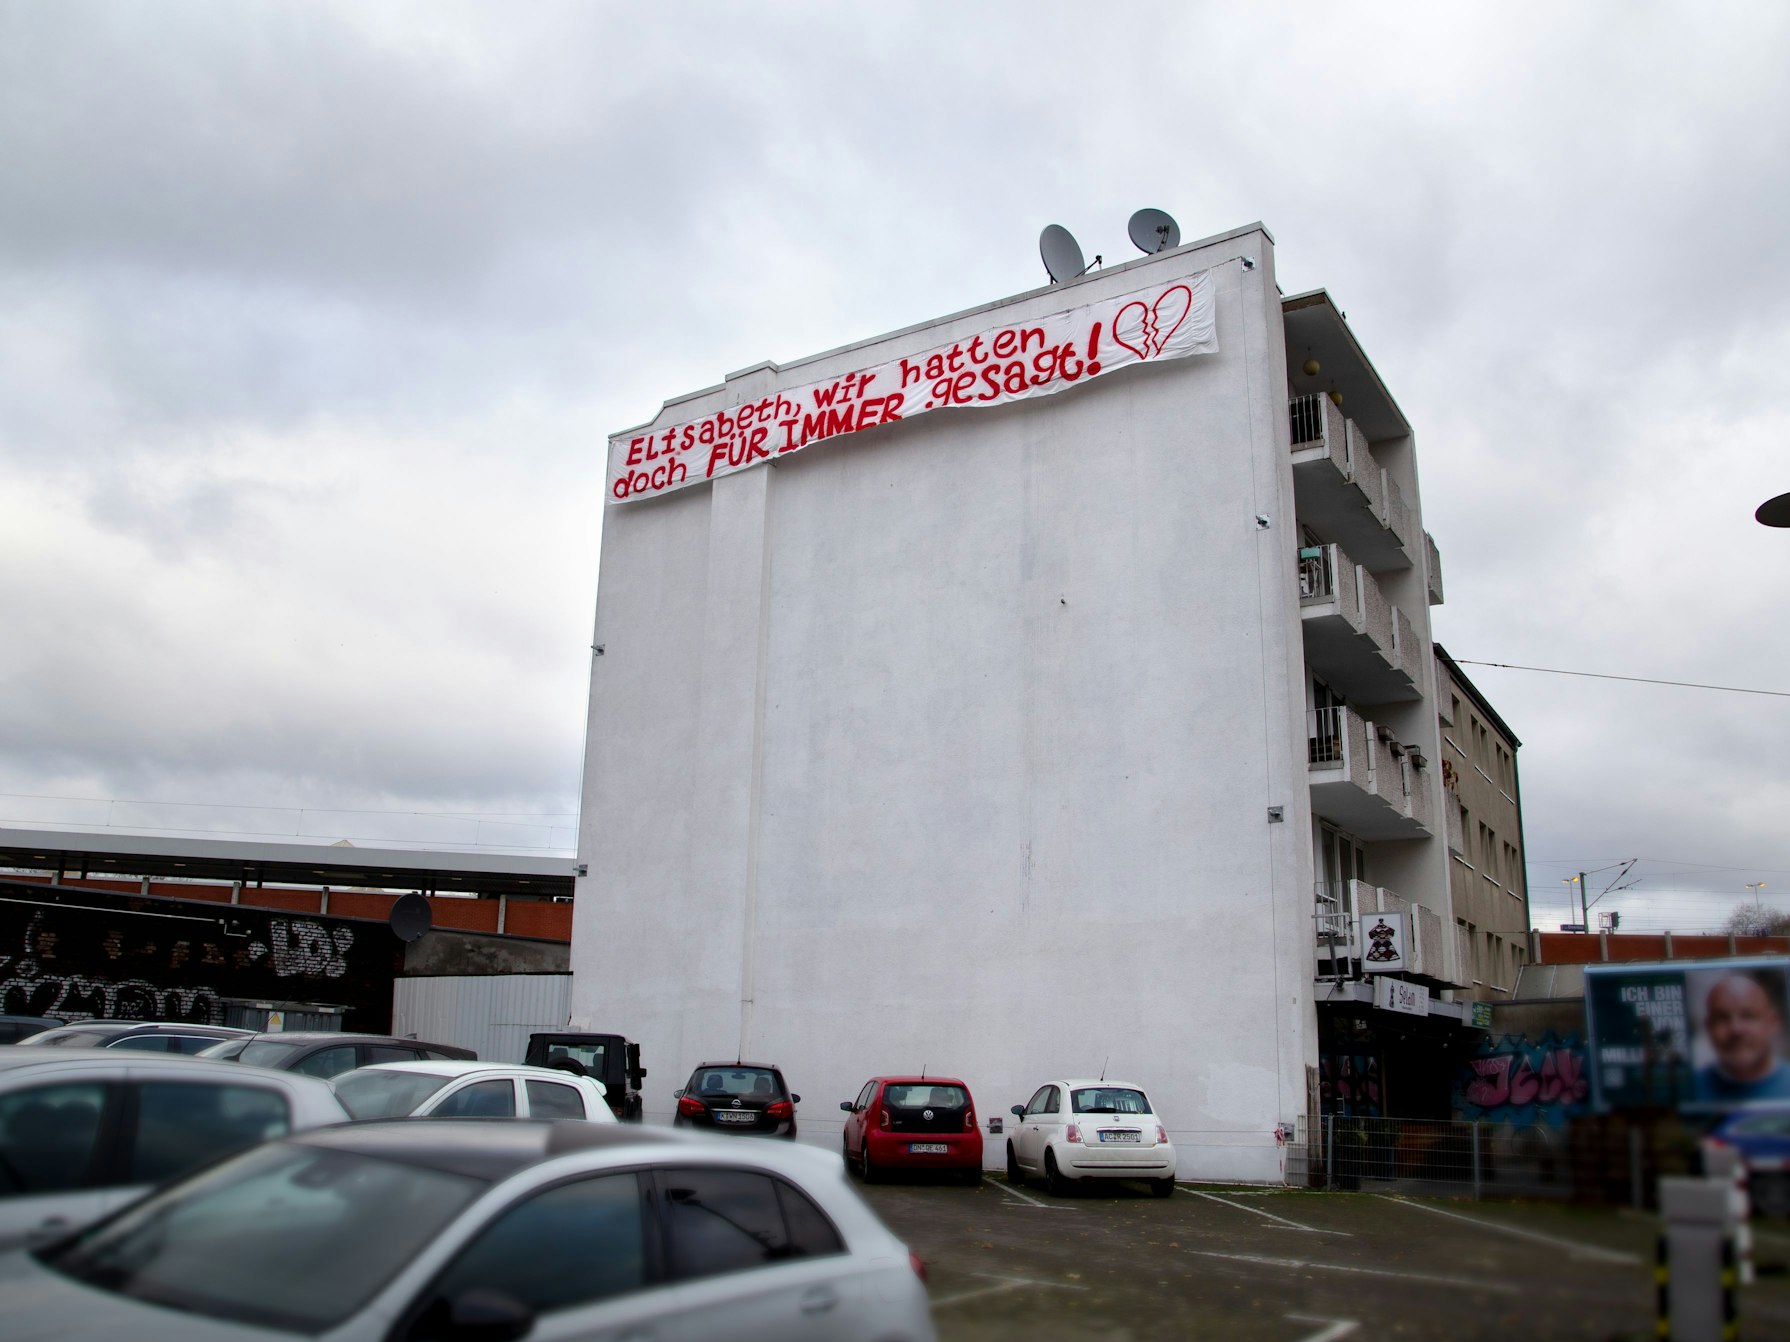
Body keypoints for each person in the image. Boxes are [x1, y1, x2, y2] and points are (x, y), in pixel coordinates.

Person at [1693, 970, 1790, 1103]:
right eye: (1722, 1017)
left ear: (1773, 1023)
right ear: (1708, 1027)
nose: (1736, 1029)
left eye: (1748, 1016)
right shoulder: (1690, 1089)